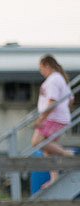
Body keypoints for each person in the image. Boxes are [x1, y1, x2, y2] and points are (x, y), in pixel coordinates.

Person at [33, 54, 75, 189]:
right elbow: (71, 99)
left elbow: (52, 102)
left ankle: (67, 154)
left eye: (41, 69)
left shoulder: (53, 80)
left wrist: (41, 119)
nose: (41, 72)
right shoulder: (60, 79)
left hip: (53, 118)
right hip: (59, 117)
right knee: (48, 150)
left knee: (37, 142)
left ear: (47, 65)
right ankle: (54, 178)